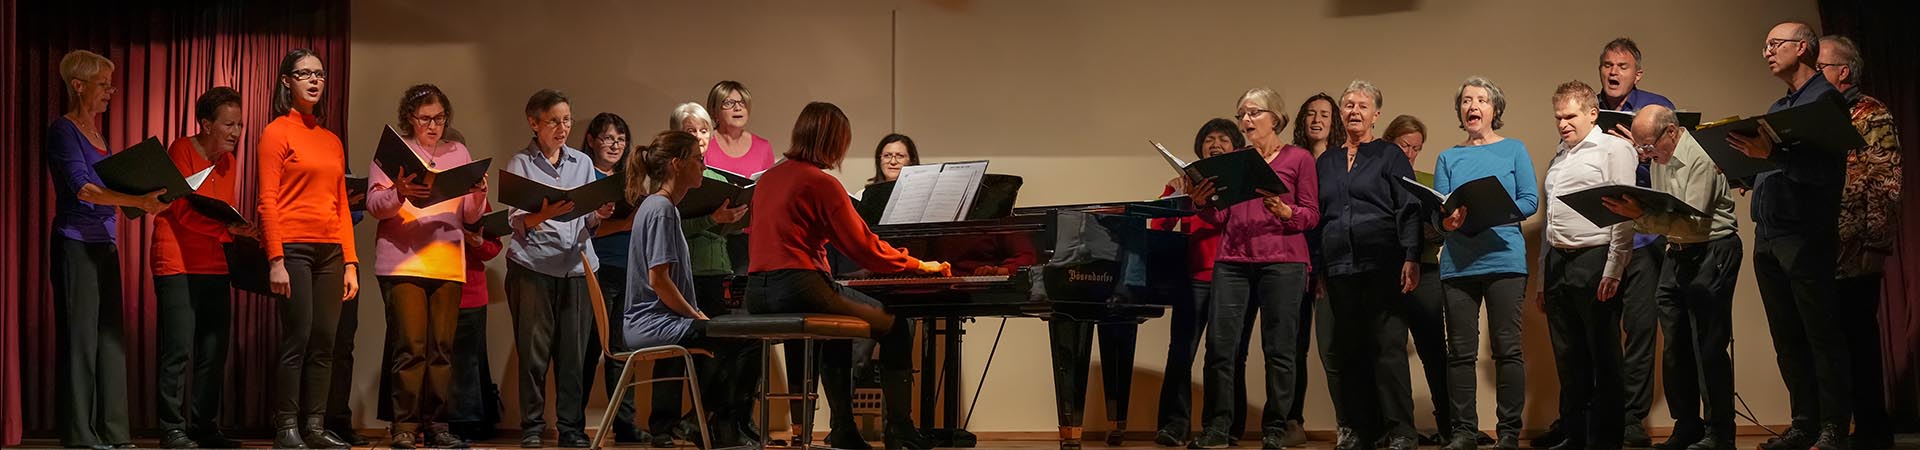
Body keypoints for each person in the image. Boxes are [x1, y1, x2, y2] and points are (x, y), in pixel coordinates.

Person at [745, 102, 946, 450]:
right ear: (835, 141)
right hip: (800, 286)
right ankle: (900, 431)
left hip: (757, 292)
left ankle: (844, 430)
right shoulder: (821, 183)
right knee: (895, 324)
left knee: (837, 327)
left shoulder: (769, 179)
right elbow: (865, 249)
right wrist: (916, 264)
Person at [1732, 22, 1852, 450]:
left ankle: (1833, 426)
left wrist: (1773, 155)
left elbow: (1827, 172)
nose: (1766, 51)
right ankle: (1804, 422)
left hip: (1804, 236)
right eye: (1764, 45)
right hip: (1769, 235)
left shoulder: (1825, 100)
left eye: (1774, 44)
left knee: (1819, 334)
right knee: (1787, 337)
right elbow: (1780, 164)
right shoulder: (1780, 104)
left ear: (1803, 47)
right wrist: (1746, 170)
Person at [1600, 105, 1742, 450]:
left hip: (1711, 249)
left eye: (1648, 147)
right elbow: (1667, 214)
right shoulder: (1659, 158)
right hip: (1677, 253)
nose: (1645, 156)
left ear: (1672, 133)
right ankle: (1687, 425)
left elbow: (1694, 222)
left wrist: (1641, 216)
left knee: (1708, 346)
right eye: (1640, 149)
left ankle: (1720, 432)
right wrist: (1642, 213)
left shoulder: (1699, 157)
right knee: (1676, 349)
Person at [1185, 87, 1319, 450]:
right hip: (1233, 261)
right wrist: (1202, 203)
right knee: (1221, 347)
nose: (1245, 120)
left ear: (1274, 117)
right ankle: (1218, 427)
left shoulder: (1299, 159)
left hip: (1284, 262)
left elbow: (1311, 213)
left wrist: (1288, 213)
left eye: (1253, 113)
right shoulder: (1238, 159)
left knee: (1280, 349)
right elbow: (1222, 214)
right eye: (1242, 113)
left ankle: (1276, 428)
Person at [45, 49, 161, 450]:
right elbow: (83, 187)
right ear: (78, 86)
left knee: (111, 338)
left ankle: (114, 432)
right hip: (75, 243)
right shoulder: (63, 130)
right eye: (103, 84)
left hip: (104, 242)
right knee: (81, 339)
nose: (111, 91)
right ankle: (80, 434)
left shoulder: (97, 133)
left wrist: (146, 196)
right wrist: (137, 203)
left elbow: (107, 188)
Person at [621, 130, 765, 448]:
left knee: (740, 338)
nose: (703, 166)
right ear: (677, 164)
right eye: (698, 161)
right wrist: (696, 315)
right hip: (652, 323)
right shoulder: (660, 209)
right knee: (746, 340)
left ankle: (706, 422)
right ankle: (709, 423)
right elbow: (659, 280)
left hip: (663, 320)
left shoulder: (662, 207)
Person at [366, 83, 485, 449]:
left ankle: (437, 423)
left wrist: (478, 193)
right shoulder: (394, 153)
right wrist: (399, 192)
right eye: (425, 118)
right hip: (403, 263)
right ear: (410, 119)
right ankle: (404, 425)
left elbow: (469, 215)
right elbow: (375, 206)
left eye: (439, 118)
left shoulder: (458, 151)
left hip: (447, 261)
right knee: (411, 346)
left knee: (441, 349)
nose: (433, 125)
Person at [257, 48, 359, 450]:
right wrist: (276, 258)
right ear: (287, 81)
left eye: (319, 74)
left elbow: (342, 206)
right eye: (305, 74)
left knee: (325, 341)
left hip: (330, 251)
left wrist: (351, 262)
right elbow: (267, 200)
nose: (315, 81)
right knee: (297, 338)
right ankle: (286, 427)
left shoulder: (331, 140)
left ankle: (314, 425)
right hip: (294, 250)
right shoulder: (276, 132)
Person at [503, 89, 617, 448]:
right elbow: (516, 222)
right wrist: (544, 214)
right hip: (534, 266)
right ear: (534, 123)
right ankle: (533, 427)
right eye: (554, 120)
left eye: (566, 120)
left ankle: (571, 428)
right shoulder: (520, 163)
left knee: (574, 354)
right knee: (534, 353)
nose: (562, 127)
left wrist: (598, 215)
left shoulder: (582, 163)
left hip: (578, 267)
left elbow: (586, 220)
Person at [1313, 80, 1422, 450]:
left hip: (1382, 264)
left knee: (1388, 349)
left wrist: (1410, 256)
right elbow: (1319, 217)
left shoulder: (1389, 155)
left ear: (1376, 114)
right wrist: (1318, 268)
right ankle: (1364, 430)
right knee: (1351, 350)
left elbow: (1407, 207)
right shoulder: (1325, 161)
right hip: (1339, 267)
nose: (1354, 111)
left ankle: (1402, 430)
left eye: (1362, 105)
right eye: (1348, 105)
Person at [1434, 76, 1538, 450]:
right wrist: (1447, 221)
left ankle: (1508, 432)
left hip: (1504, 260)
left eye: (1480, 100)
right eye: (1465, 100)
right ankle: (1463, 431)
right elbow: (1441, 213)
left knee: (1507, 348)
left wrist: (1495, 211)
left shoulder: (1514, 149)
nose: (1472, 106)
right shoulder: (1448, 157)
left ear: (1495, 109)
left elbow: (1530, 200)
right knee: (1459, 353)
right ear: (1460, 111)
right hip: (1459, 264)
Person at [1538, 80, 1637, 450]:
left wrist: (1614, 267)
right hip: (1558, 263)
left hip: (1594, 258)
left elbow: (1625, 212)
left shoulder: (1614, 148)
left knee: (1603, 355)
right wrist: (1541, 282)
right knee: (1569, 357)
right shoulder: (1560, 157)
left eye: (1570, 116)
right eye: (1558, 117)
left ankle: (1605, 440)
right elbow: (1550, 219)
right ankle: (1575, 435)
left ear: (1592, 113)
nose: (1563, 124)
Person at [648, 102, 754, 447]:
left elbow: (722, 231)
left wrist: (734, 219)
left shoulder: (720, 179)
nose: (700, 137)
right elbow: (674, 229)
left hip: (717, 268)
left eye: (705, 130)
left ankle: (703, 421)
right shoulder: (670, 182)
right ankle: (662, 427)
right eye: (691, 131)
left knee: (721, 349)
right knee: (671, 353)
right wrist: (713, 220)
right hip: (683, 273)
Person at [1588, 38, 1677, 448]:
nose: (1613, 72)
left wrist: (1642, 155)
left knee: (1640, 330)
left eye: (1622, 66)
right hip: (1598, 239)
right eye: (1607, 65)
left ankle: (1631, 419)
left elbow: (1678, 167)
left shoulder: (1656, 108)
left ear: (1637, 73)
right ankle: (1599, 414)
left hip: (1645, 236)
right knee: (1598, 332)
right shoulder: (1588, 112)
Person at [154, 86, 249, 450]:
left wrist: (238, 229)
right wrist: (228, 228)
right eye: (229, 124)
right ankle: (171, 427)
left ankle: (205, 426)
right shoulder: (181, 149)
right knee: (177, 348)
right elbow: (181, 211)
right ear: (206, 124)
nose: (236, 132)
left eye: (239, 125)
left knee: (213, 350)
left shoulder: (230, 162)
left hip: (214, 263)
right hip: (176, 259)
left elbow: (221, 211)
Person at [1818, 34, 1901, 450]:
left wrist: (1876, 245)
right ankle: (1843, 425)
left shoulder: (1871, 114)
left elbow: (1885, 183)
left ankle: (1873, 431)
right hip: (1824, 249)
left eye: (1821, 68)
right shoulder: (1821, 114)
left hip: (1857, 249)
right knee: (1832, 345)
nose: (1815, 76)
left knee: (1859, 342)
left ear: (1843, 71)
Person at [1151, 118, 1253, 447]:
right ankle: (1174, 425)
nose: (1215, 144)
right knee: (1181, 352)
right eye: (1209, 139)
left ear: (1236, 148)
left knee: (1230, 355)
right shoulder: (1181, 183)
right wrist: (1178, 196)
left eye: (1224, 139)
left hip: (1237, 278)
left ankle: (1225, 428)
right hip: (1194, 276)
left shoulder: (1243, 185)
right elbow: (1157, 227)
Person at [1382, 114, 1471, 446]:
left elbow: (1439, 230)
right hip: (1387, 271)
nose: (1410, 153)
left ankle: (1452, 427)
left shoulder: (1425, 180)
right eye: (1404, 145)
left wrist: (1436, 228)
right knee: (1387, 350)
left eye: (1416, 148)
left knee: (1435, 350)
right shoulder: (1377, 175)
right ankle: (1395, 430)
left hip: (1427, 270)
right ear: (1387, 141)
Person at [577, 112, 648, 444]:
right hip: (595, 269)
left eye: (620, 139)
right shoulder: (583, 173)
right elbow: (582, 228)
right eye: (607, 138)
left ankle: (624, 422)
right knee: (590, 349)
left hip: (627, 271)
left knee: (622, 351)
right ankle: (572, 422)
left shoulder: (630, 179)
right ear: (591, 140)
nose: (615, 145)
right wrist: (624, 224)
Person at [1285, 92, 1343, 448]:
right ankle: (1291, 419)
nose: (1317, 120)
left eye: (1324, 114)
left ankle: (1352, 423)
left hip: (1332, 265)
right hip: (1293, 261)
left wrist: (1322, 268)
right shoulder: (1293, 159)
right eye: (1310, 114)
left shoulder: (1341, 162)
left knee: (1336, 347)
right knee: (1292, 345)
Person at [447, 206, 503, 441]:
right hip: (434, 284)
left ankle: (469, 423)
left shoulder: (476, 199)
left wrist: (477, 242)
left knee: (470, 363)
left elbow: (492, 247)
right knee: (438, 360)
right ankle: (435, 423)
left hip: (470, 291)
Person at [705, 80, 777, 175]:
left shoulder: (763, 147)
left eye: (742, 102)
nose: (738, 108)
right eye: (729, 103)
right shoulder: (704, 143)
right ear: (714, 111)